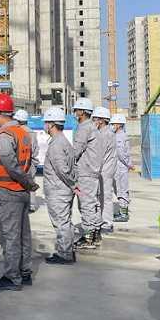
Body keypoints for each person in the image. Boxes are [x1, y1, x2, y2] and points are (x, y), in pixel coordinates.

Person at [0, 94, 38, 291]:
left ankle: (12, 277)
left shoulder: (4, 136)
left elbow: (11, 165)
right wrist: (28, 183)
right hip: (20, 192)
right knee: (22, 235)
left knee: (10, 236)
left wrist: (28, 182)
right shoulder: (22, 133)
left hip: (7, 193)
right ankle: (24, 272)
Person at [41, 107, 82, 265]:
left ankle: (64, 254)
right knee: (65, 221)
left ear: (51, 124)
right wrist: (73, 183)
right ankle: (68, 250)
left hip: (58, 190)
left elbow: (61, 169)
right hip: (63, 189)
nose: (45, 126)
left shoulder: (57, 144)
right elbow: (73, 166)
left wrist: (72, 184)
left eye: (46, 123)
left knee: (61, 222)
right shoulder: (64, 141)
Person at [71, 97, 102, 249]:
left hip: (85, 172)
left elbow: (76, 150)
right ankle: (94, 233)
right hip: (93, 171)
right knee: (93, 203)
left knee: (86, 205)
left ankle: (89, 238)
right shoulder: (93, 127)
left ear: (82, 112)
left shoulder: (84, 128)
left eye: (77, 110)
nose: (75, 113)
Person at [93, 106, 116, 239]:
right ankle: (105, 220)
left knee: (105, 196)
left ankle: (107, 223)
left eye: (95, 119)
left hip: (105, 169)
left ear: (101, 121)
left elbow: (98, 154)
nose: (94, 121)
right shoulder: (107, 133)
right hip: (107, 168)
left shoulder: (104, 134)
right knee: (103, 196)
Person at [14, 110, 40, 213]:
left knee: (18, 182)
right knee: (31, 181)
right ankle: (32, 204)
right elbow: (36, 149)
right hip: (30, 161)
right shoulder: (32, 132)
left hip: (19, 161)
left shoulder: (15, 132)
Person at [111, 114, 134, 222]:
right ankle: (123, 211)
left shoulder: (119, 137)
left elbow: (121, 153)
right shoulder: (120, 135)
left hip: (120, 167)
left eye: (114, 124)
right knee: (121, 189)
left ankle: (123, 213)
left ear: (119, 125)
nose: (112, 126)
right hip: (121, 167)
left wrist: (129, 164)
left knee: (121, 190)